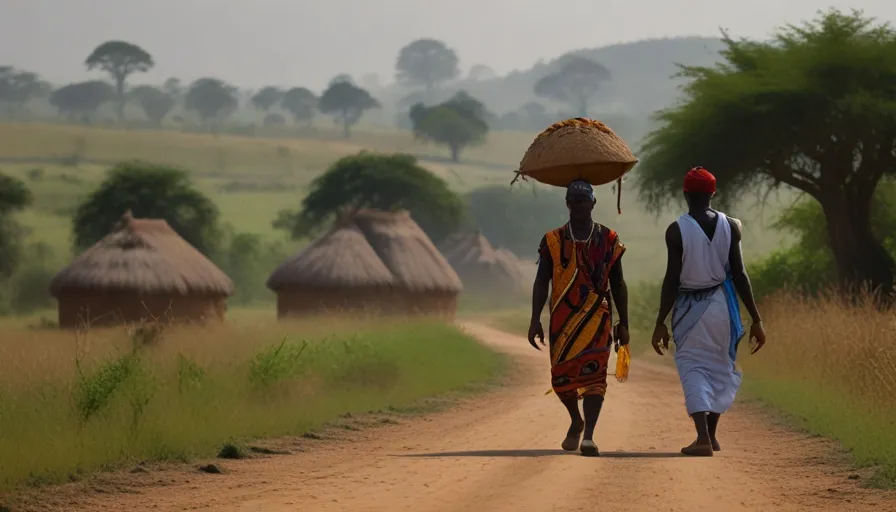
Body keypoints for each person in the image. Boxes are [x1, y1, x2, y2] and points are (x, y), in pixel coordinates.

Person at [650, 166, 767, 457]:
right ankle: (711, 436)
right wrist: (756, 319)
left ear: (685, 194)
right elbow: (740, 275)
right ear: (713, 194)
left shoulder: (677, 230)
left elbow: (672, 280)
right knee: (719, 367)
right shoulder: (732, 226)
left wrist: (660, 322)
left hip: (691, 310)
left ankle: (702, 437)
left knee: (692, 366)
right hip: (724, 309)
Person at [528, 179, 629, 457]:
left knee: (595, 376)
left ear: (593, 203)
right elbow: (541, 282)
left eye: (584, 200)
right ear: (567, 203)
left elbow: (619, 284)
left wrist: (624, 324)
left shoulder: (609, 240)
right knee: (561, 378)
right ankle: (575, 419)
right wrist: (535, 319)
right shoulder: (552, 240)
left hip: (598, 318)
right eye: (574, 200)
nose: (579, 205)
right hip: (562, 320)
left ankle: (589, 436)